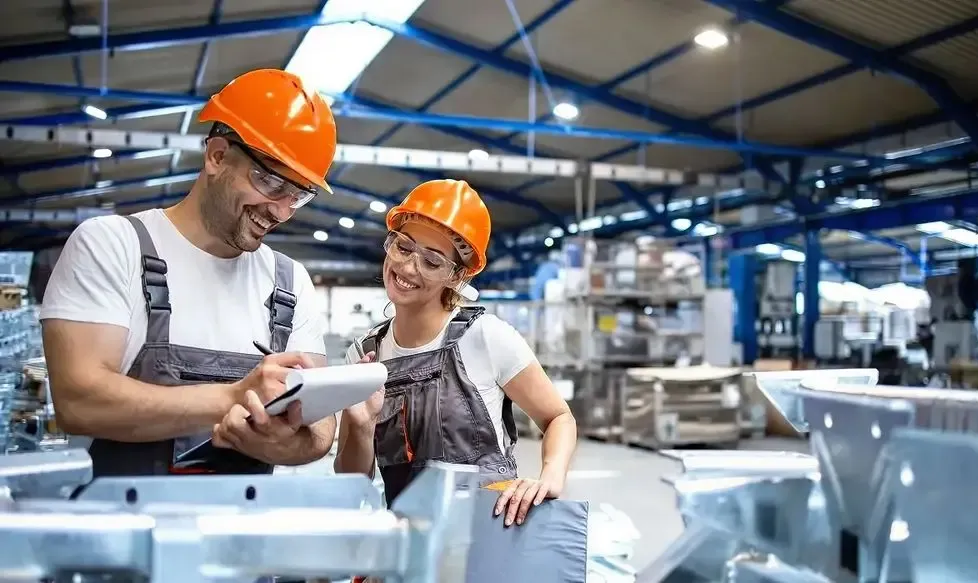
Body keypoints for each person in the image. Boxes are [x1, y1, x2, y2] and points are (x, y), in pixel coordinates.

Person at [40, 68, 338, 478]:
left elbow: (320, 429)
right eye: (269, 182)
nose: (282, 211)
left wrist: (280, 443)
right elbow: (79, 400)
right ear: (217, 155)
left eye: (299, 195)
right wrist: (231, 398)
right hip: (124, 532)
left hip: (242, 533)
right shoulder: (113, 245)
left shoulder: (288, 282)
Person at [335, 179, 578, 528]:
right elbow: (352, 481)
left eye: (432, 262)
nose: (407, 268)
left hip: (493, 536)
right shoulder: (365, 355)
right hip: (412, 545)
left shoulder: (485, 338)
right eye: (403, 247)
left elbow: (558, 418)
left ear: (456, 276)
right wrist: (361, 427)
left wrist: (550, 477)